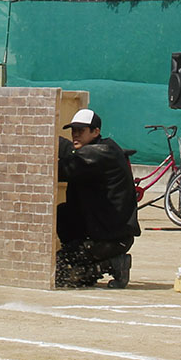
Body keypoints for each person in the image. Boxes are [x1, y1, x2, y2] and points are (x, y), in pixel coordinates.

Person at [55, 108, 140, 289]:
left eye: (81, 130)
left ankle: (113, 264)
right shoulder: (97, 149)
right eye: (73, 131)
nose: (75, 135)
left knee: (62, 266)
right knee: (63, 214)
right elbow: (70, 150)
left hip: (112, 238)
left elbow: (65, 168)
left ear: (96, 132)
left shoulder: (100, 154)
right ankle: (87, 269)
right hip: (101, 232)